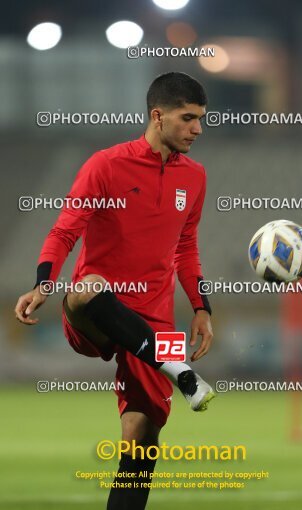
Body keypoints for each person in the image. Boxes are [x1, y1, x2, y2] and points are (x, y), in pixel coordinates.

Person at [14, 71, 215, 509]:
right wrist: (43, 283)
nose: (198, 128)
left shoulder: (195, 178)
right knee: (88, 288)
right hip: (98, 311)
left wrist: (201, 307)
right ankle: (175, 368)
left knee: (141, 439)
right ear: (158, 116)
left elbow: (187, 247)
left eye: (201, 118)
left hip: (154, 315)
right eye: (188, 118)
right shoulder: (105, 165)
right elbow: (65, 230)